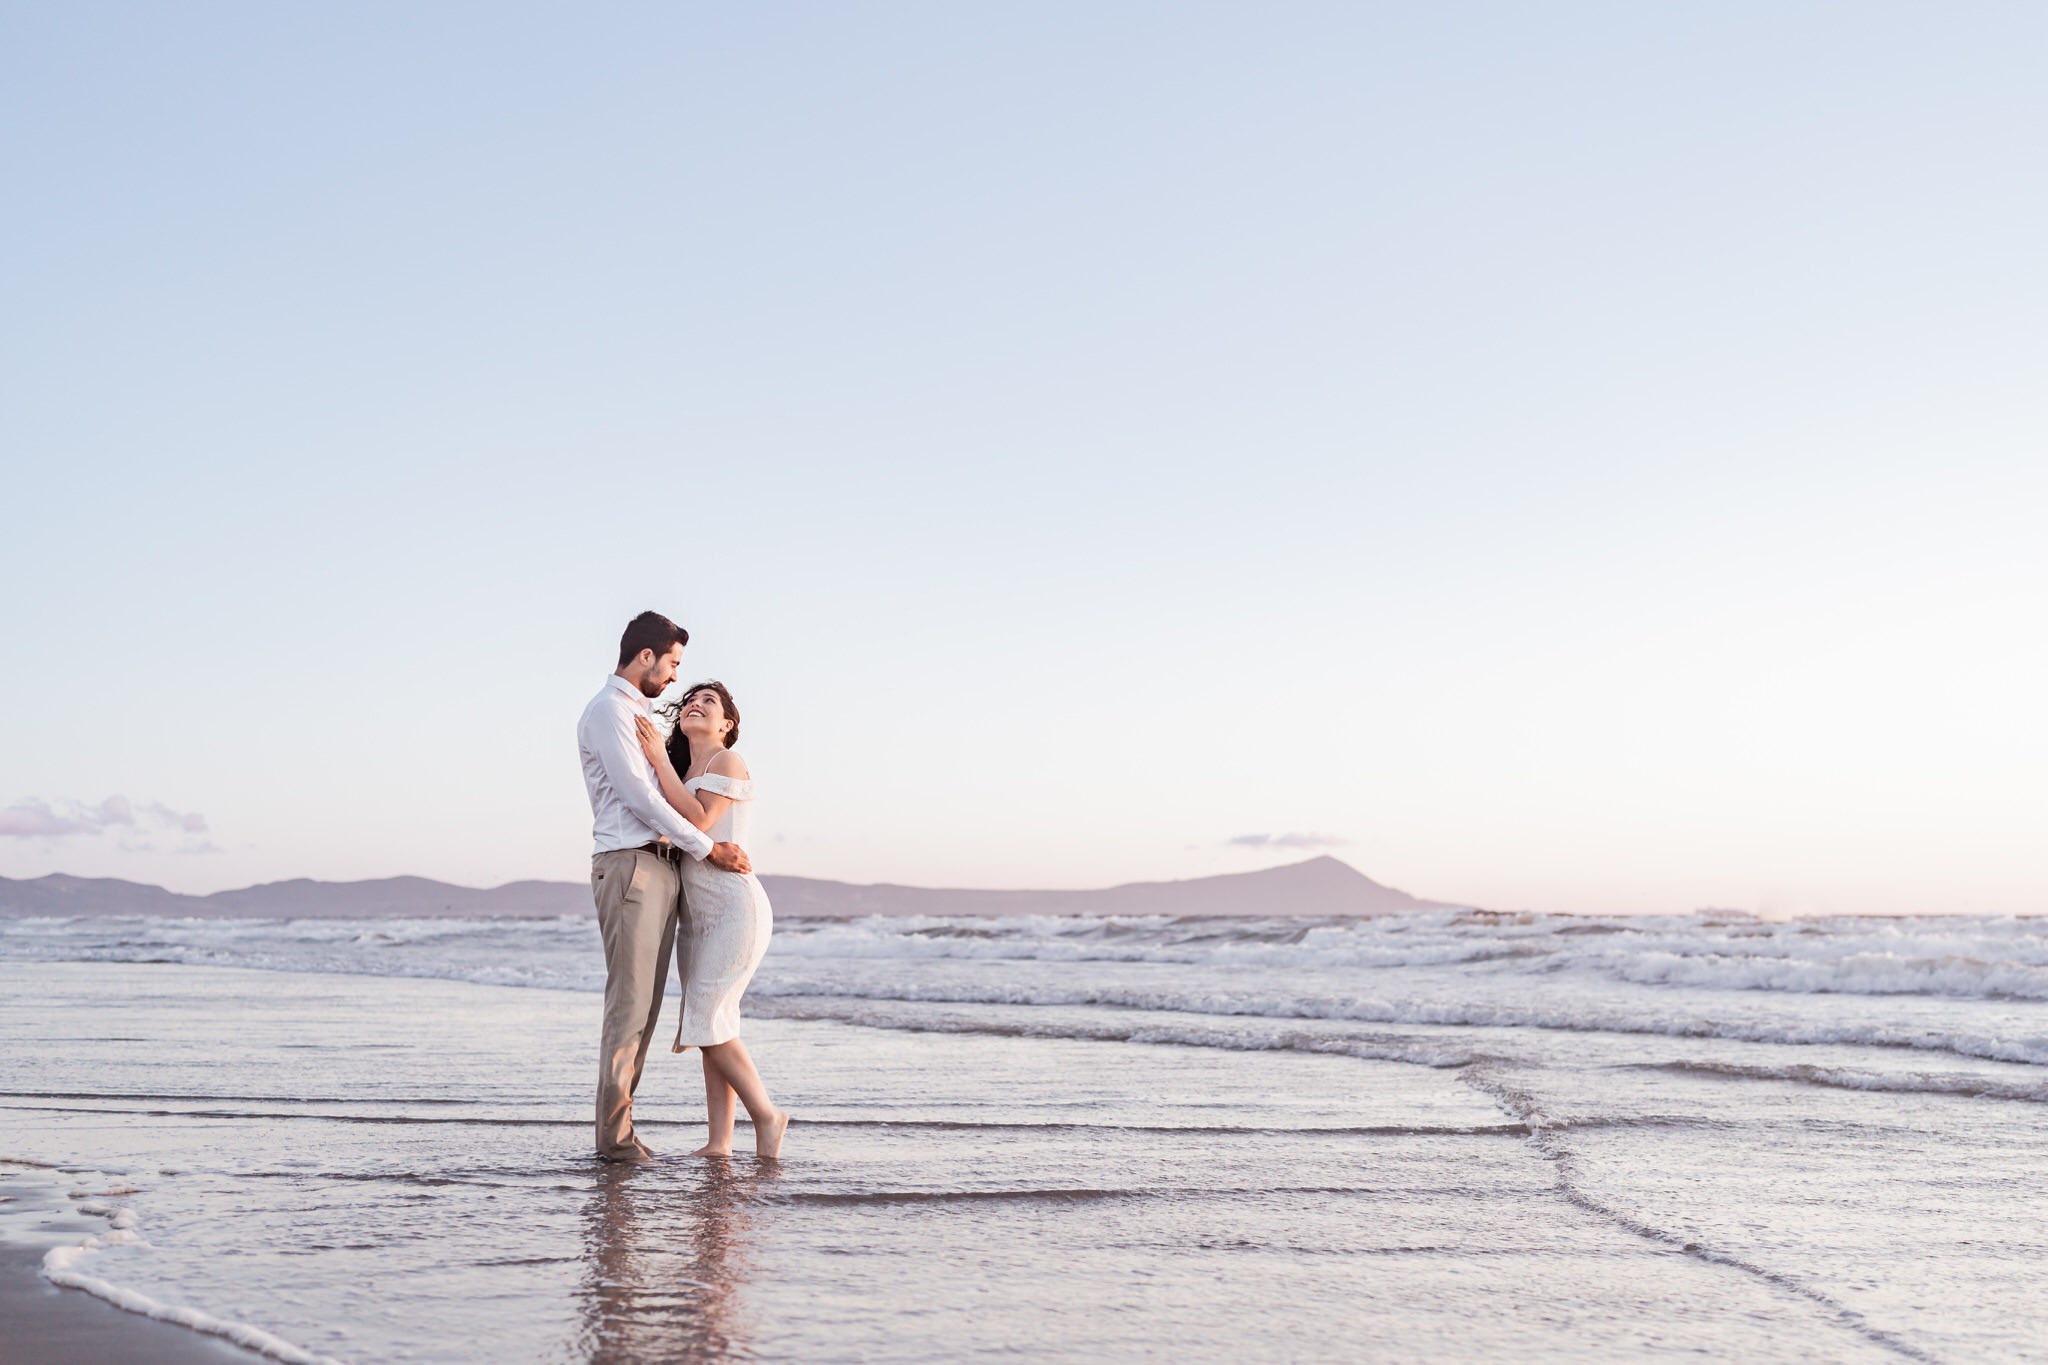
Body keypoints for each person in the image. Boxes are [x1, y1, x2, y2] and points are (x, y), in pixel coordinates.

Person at [577, 611, 752, 1163]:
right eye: (673, 663)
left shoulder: (641, 716)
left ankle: (622, 1135)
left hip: (659, 868)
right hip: (632, 865)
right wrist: (708, 848)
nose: (676, 678)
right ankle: (615, 1142)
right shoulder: (610, 711)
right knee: (630, 1007)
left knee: (647, 1008)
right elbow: (640, 798)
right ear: (647, 656)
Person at [633, 680, 788, 1160]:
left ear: (726, 724)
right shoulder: (682, 769)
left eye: (709, 702)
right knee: (713, 1024)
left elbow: (698, 822)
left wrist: (658, 759)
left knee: (705, 1017)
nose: (696, 705)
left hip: (735, 909)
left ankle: (767, 1114)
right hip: (696, 916)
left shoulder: (725, 761)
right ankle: (720, 1143)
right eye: (690, 700)